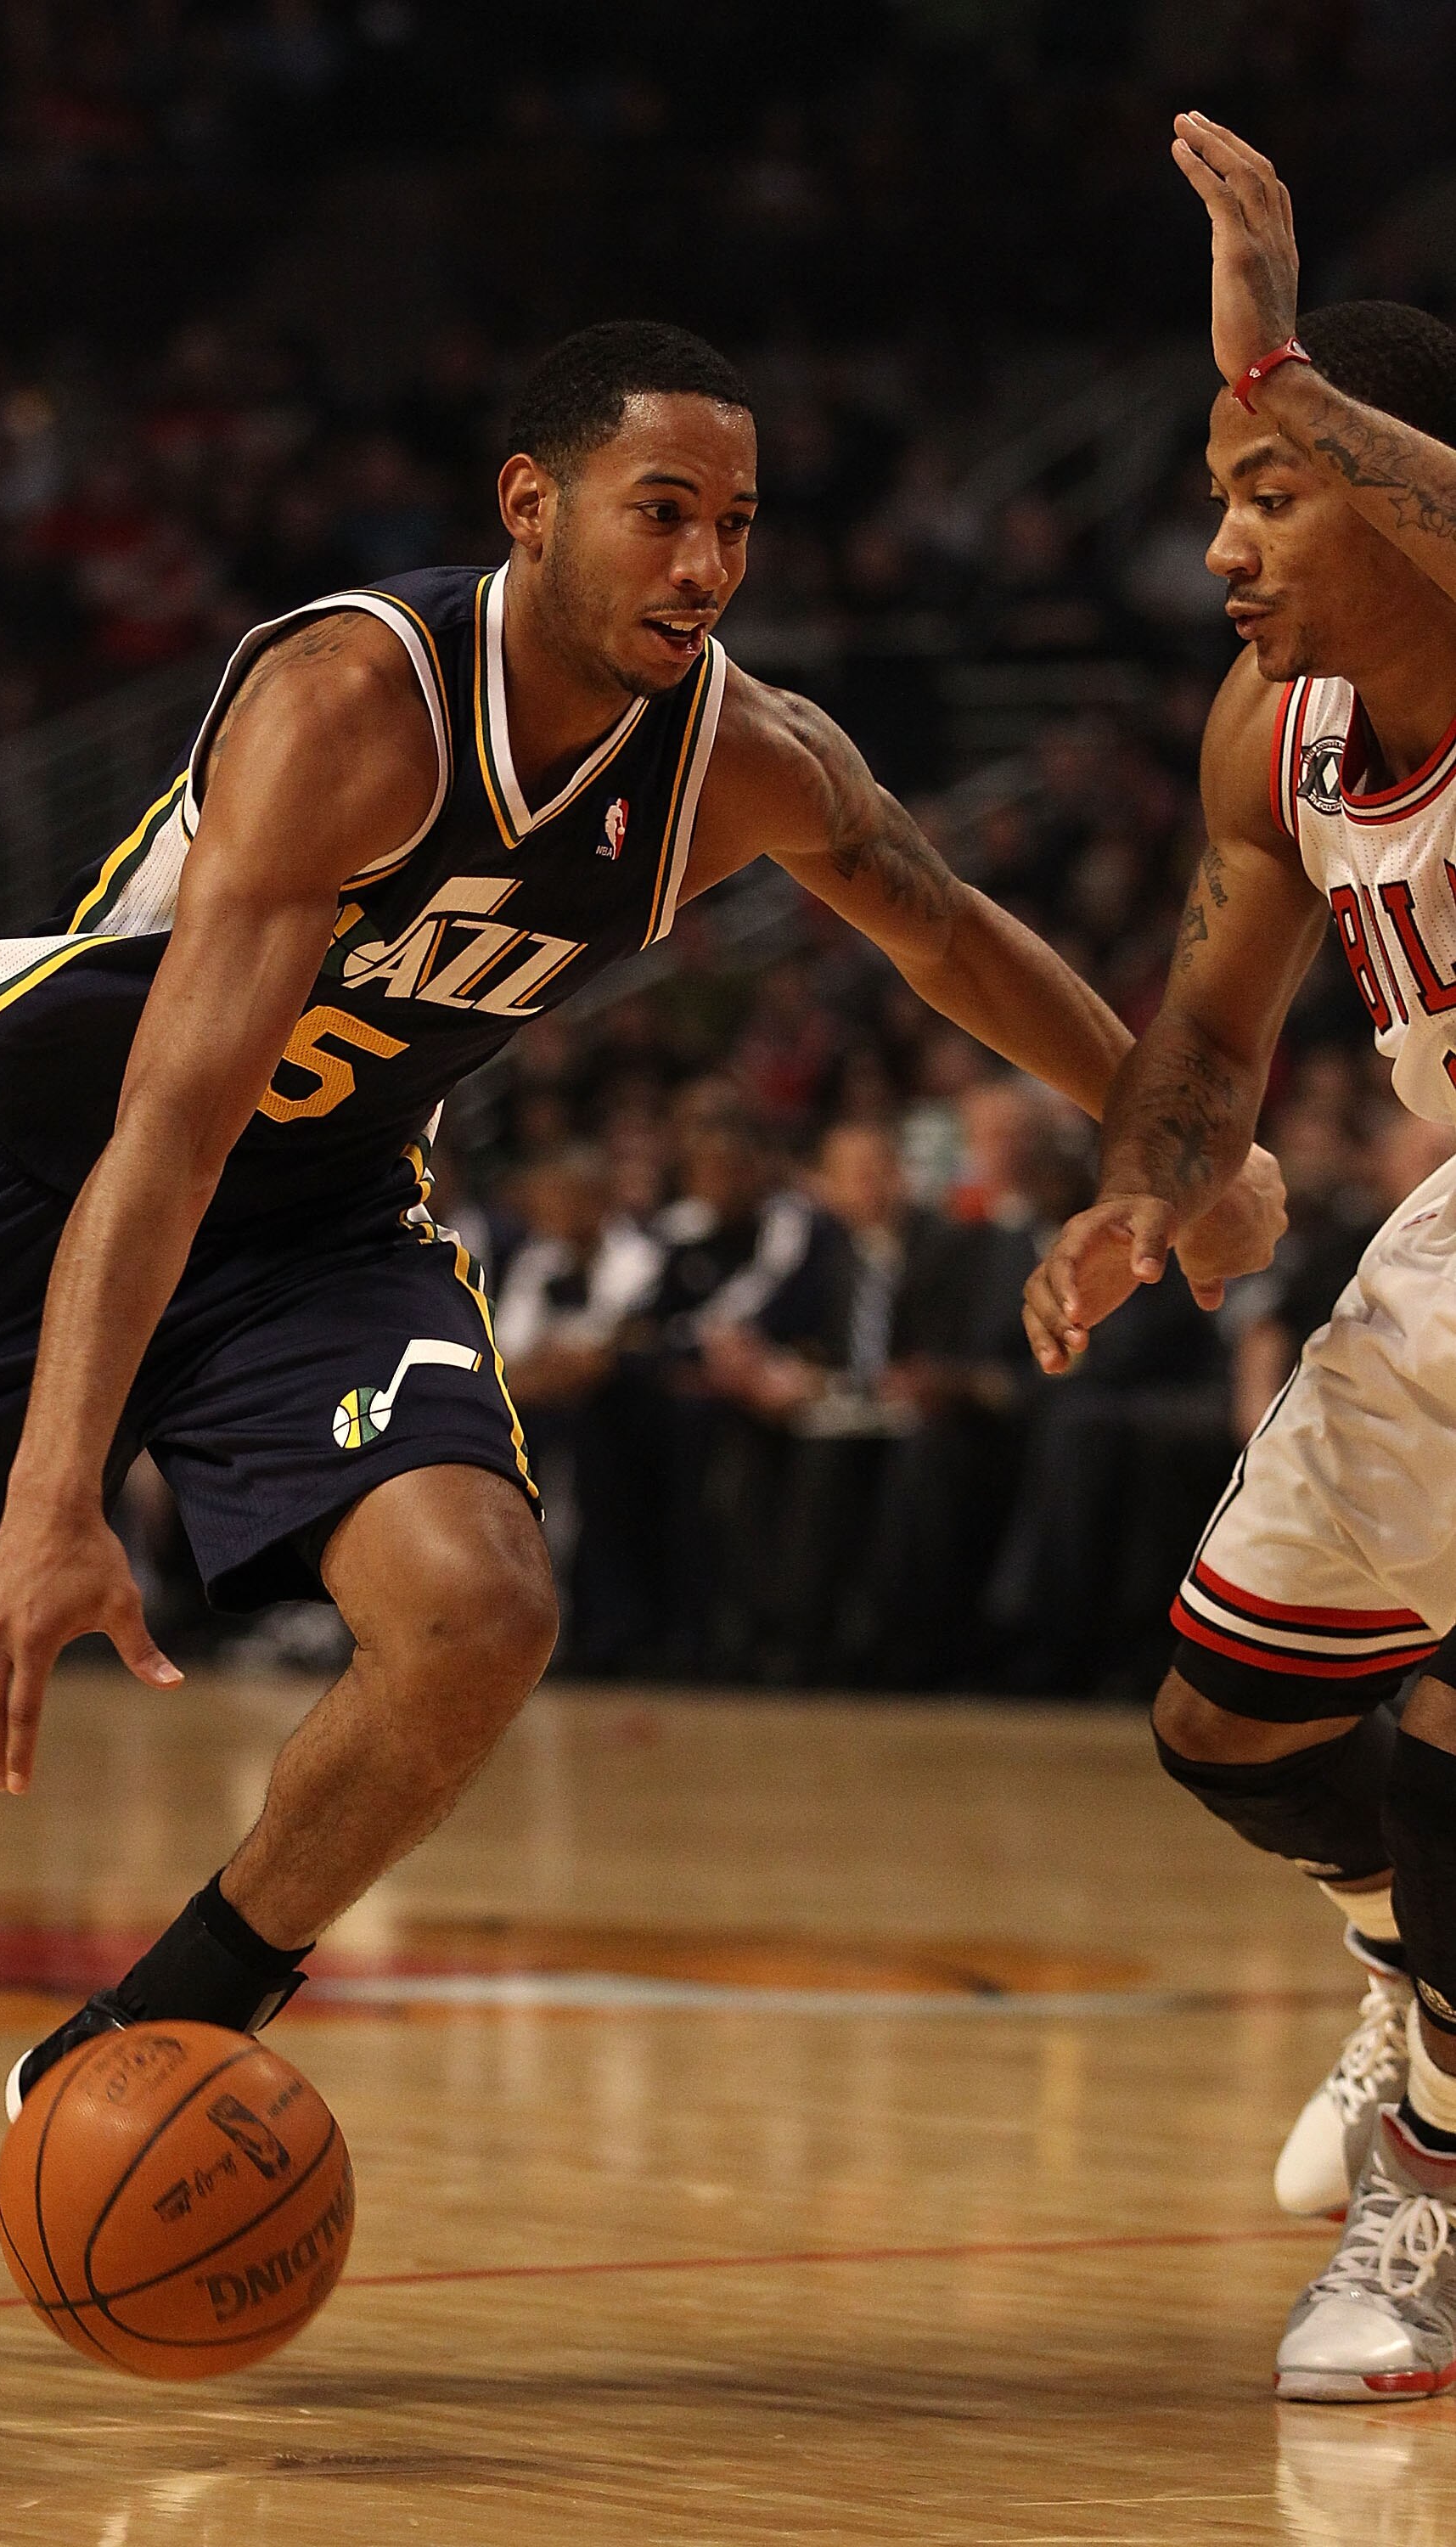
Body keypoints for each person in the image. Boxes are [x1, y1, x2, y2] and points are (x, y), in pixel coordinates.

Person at [0, 319, 1281, 2354]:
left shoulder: (742, 754)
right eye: (659, 513)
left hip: (311, 1216)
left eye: (735, 526)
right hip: (32, 1181)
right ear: (529, 506)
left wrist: (1175, 1147)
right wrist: (52, 1500)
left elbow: (939, 928)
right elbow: (157, 1133)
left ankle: (164, 2020)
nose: (702, 566)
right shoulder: (350, 704)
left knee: (478, 1610)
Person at [1022, 117, 1456, 2401]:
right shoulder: (1267, 739)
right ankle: (1409, 1964)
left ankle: (1436, 2185)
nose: (1215, 547)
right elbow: (1201, 1038)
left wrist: (1277, 354)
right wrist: (1144, 1186)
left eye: (1263, 494)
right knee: (1228, 1714)